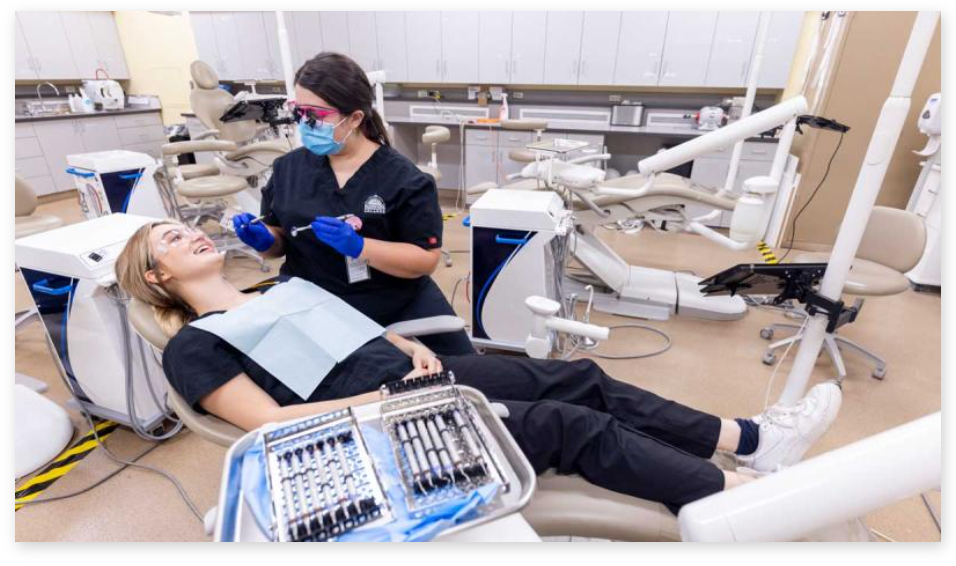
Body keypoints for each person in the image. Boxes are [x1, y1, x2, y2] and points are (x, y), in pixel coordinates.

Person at [116, 221, 842, 514]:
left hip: (413, 376)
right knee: (567, 425)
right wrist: (386, 395)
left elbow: (350, 333)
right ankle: (740, 498)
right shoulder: (194, 346)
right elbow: (268, 423)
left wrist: (406, 347)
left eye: (186, 227)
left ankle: (748, 439)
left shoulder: (277, 290)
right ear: (156, 278)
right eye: (171, 240)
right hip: (378, 421)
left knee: (579, 377)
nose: (193, 233)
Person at [232, 52, 473, 356]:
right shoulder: (287, 169)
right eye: (299, 112)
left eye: (316, 115)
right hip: (309, 301)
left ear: (355, 118)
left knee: (465, 370)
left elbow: (425, 260)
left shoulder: (405, 180)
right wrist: (266, 240)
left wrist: (360, 247)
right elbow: (279, 241)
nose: (305, 123)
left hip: (387, 299)